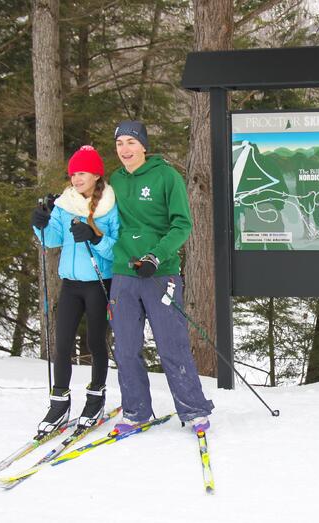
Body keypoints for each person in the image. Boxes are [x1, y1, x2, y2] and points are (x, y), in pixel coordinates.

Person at [109, 120, 214, 432]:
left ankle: (194, 410)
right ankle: (136, 411)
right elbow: (98, 214)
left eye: (131, 142)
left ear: (144, 145)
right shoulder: (114, 180)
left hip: (159, 273)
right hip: (124, 273)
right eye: (119, 143)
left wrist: (156, 256)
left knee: (171, 345)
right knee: (125, 348)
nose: (125, 149)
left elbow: (182, 224)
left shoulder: (167, 176)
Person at [31, 145, 120, 434]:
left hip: (98, 283)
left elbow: (117, 250)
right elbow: (52, 240)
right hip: (70, 285)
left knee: (95, 342)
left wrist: (95, 237)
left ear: (96, 175)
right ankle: (59, 403)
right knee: (62, 344)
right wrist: (40, 225)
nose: (76, 178)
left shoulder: (109, 205)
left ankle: (95, 398)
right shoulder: (64, 204)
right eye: (73, 174)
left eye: (82, 173)